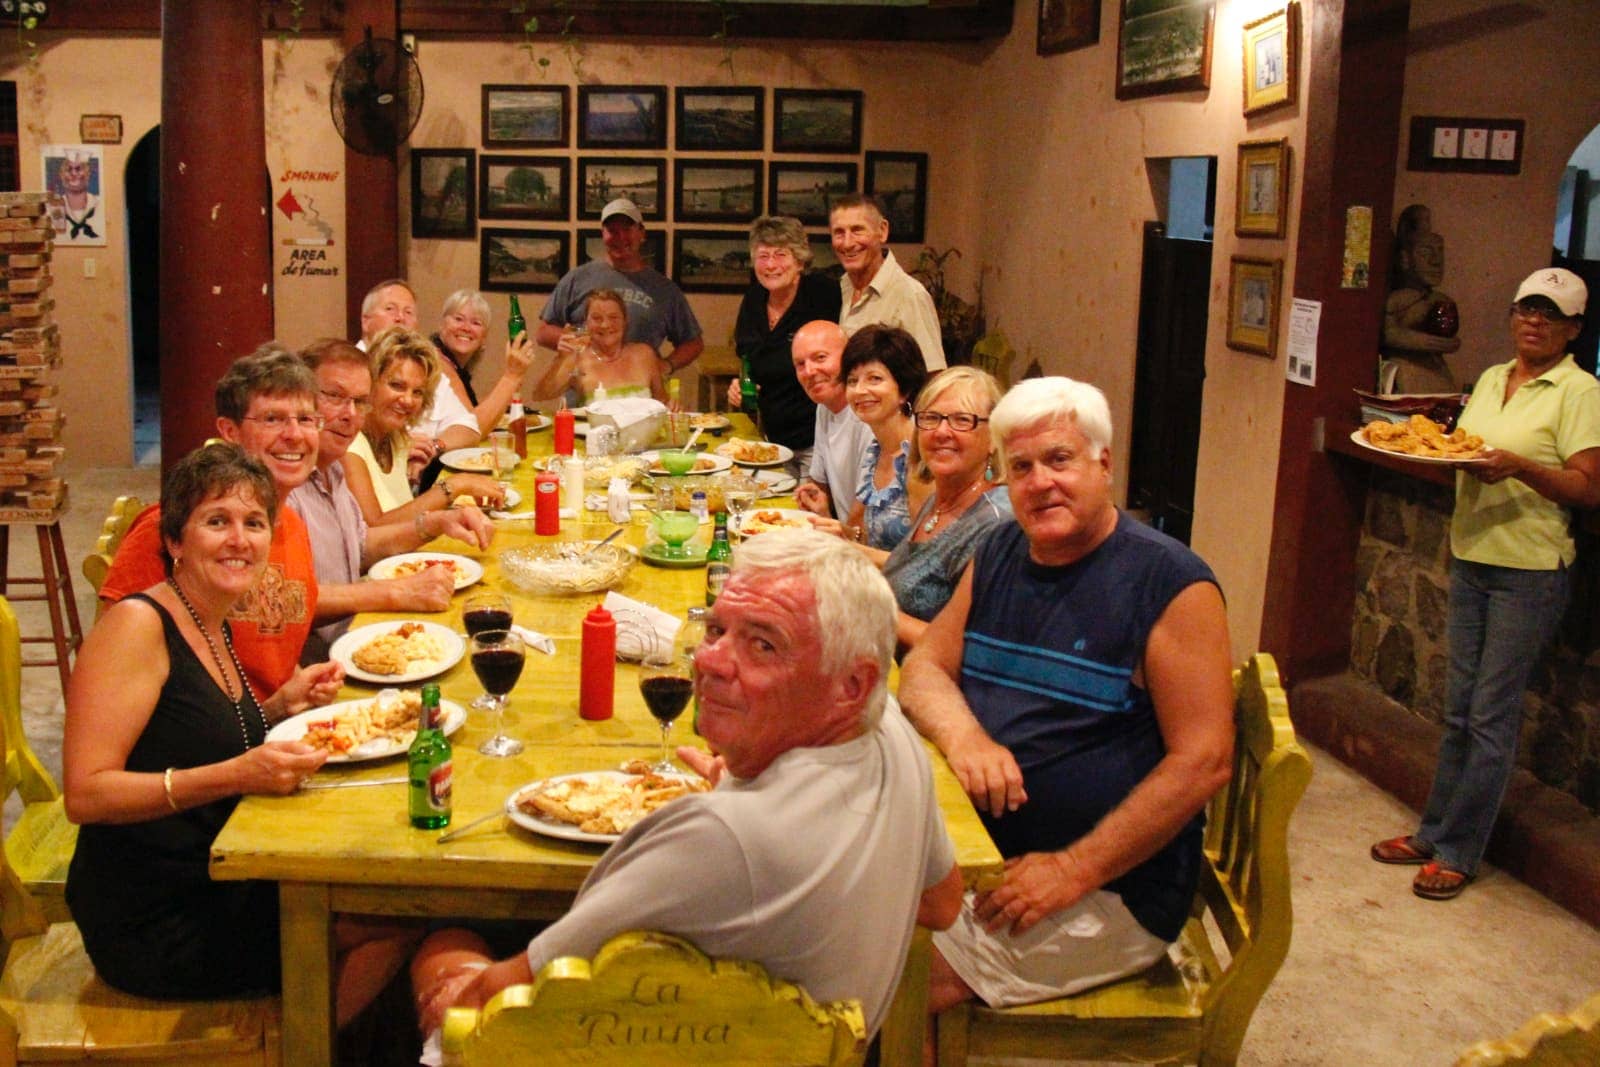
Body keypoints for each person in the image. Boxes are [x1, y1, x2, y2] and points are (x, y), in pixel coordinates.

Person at [410, 529, 963, 1043]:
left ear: (850, 685)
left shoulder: (722, 838)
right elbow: (941, 904)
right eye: (718, 629)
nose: (710, 660)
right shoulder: (891, 729)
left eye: (763, 645)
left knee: (442, 943)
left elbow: (491, 1003)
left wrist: (453, 988)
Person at [898, 376, 1234, 1032]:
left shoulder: (1171, 583)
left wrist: (1073, 869)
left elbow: (1204, 762)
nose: (1041, 482)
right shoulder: (999, 550)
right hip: (980, 855)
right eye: (1021, 466)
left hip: (1110, 888)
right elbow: (925, 670)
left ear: (1103, 463)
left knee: (885, 975)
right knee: (830, 919)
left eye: (1060, 459)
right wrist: (968, 738)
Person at [64, 443, 416, 1018]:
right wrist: (235, 774)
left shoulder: (210, 615)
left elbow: (190, 729)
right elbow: (85, 793)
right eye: (216, 521)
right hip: (157, 911)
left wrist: (279, 706)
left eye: (255, 523)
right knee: (392, 918)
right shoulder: (137, 626)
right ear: (175, 541)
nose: (240, 539)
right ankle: (302, 1051)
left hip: (223, 866)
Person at [1371, 267, 1600, 900]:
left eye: (1551, 315)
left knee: (1490, 717)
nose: (1535, 321)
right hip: (1472, 553)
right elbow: (1466, 448)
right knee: (1458, 709)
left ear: (1574, 329)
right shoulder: (1494, 378)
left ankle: (1459, 851)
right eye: (1526, 308)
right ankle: (1433, 831)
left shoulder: (1579, 392)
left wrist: (1523, 468)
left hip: (1530, 568)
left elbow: (1588, 487)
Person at [98, 345, 325, 699]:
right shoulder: (171, 530)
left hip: (273, 729)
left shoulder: (292, 524)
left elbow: (268, 656)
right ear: (229, 431)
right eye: (272, 419)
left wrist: (293, 695)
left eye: (306, 419)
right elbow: (105, 681)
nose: (295, 435)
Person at [290, 339, 496, 655]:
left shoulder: (331, 469)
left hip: (359, 632)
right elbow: (289, 599)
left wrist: (437, 522)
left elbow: (360, 545)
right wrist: (396, 592)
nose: (349, 414)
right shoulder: (281, 485)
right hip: (315, 655)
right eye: (334, 397)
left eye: (359, 402)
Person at [882, 367, 1012, 649]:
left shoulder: (996, 524)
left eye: (961, 420)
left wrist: (876, 612)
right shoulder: (941, 496)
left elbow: (971, 651)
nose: (942, 431)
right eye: (931, 418)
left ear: (993, 438)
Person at [344, 327, 506, 526]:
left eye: (418, 392)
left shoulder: (396, 436)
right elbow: (376, 527)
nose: (407, 400)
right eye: (396, 385)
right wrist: (453, 486)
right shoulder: (349, 445)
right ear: (370, 381)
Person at [726, 215, 843, 476]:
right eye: (763, 256)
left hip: (818, 438)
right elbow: (748, 359)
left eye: (780, 255)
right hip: (772, 439)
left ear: (800, 260)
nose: (770, 265)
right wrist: (740, 384)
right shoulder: (754, 299)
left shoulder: (825, 296)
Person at [536, 198, 704, 372]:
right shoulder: (577, 278)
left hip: (640, 392)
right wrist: (565, 338)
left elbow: (694, 343)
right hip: (584, 391)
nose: (620, 237)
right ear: (603, 234)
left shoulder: (664, 289)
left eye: (627, 229)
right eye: (612, 230)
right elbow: (543, 332)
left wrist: (667, 365)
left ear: (641, 233)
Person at [810, 325, 929, 551]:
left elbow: (922, 562)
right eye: (853, 381)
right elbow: (861, 535)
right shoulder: (876, 451)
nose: (860, 390)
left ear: (904, 389)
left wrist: (857, 552)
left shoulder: (920, 455)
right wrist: (825, 518)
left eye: (874, 379)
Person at [357, 278, 481, 481]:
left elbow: (469, 428)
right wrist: (401, 447)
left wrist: (431, 447)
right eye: (390, 309)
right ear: (365, 320)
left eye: (408, 312)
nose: (400, 318)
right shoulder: (352, 370)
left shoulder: (424, 369)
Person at [831, 193, 945, 371]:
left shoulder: (909, 295)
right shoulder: (840, 288)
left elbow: (932, 376)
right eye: (839, 233)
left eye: (857, 230)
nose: (847, 243)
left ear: (882, 231)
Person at [791, 320, 874, 522]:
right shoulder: (824, 408)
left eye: (820, 358)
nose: (809, 371)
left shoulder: (867, 416)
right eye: (800, 364)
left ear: (848, 358)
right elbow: (818, 482)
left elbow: (864, 512)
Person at [526, 288, 666, 404]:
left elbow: (662, 403)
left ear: (625, 321)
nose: (605, 325)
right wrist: (562, 358)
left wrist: (673, 407)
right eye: (597, 318)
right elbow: (540, 395)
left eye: (613, 317)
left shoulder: (644, 355)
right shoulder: (578, 361)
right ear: (586, 323)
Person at [429, 288, 536, 437]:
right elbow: (473, 428)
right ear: (442, 324)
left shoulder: (452, 363)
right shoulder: (437, 364)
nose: (466, 328)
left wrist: (505, 393)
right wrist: (511, 377)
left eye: (476, 323)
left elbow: (465, 409)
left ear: (484, 337)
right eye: (458, 319)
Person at [1380, 204, 1462, 393]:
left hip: (1436, 372)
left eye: (1440, 252)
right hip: (1406, 370)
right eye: (1425, 253)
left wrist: (1449, 343)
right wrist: (1422, 342)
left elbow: (1450, 337)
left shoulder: (1440, 300)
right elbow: (1387, 333)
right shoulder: (1399, 299)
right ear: (1404, 259)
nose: (1435, 261)